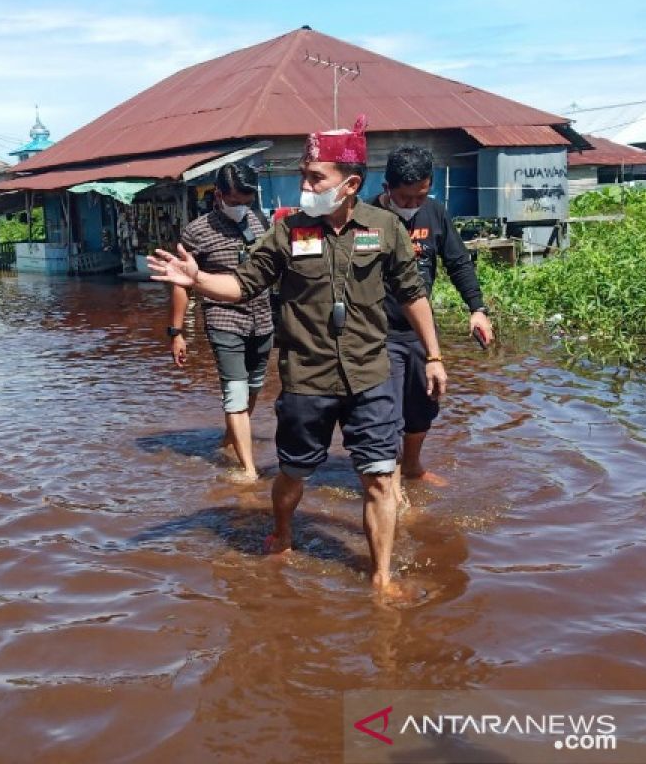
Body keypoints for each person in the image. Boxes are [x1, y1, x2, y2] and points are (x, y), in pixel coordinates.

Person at [148, 117, 447, 596]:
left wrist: (433, 355)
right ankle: (283, 530)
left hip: (371, 375)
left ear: (350, 184)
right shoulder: (288, 232)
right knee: (292, 475)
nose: (305, 184)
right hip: (306, 379)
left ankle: (381, 578)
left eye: (315, 177)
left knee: (378, 479)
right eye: (304, 174)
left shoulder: (385, 228)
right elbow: (243, 285)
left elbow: (413, 294)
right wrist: (198, 281)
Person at [373, 146, 494, 490]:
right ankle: (390, 488)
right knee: (389, 414)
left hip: (419, 334)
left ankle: (412, 468)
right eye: (404, 198)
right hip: (378, 333)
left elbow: (458, 263)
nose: (413, 205)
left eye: (420, 196)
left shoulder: (435, 214)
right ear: (387, 188)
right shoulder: (366, 216)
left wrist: (477, 309)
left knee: (423, 406)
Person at [169, 163, 273, 482]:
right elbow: (181, 283)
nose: (241, 208)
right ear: (219, 196)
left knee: (254, 388)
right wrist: (176, 332)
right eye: (235, 201)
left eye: (247, 201)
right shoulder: (197, 232)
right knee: (236, 392)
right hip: (222, 317)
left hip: (262, 319)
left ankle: (230, 440)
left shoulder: (259, 221)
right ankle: (248, 469)